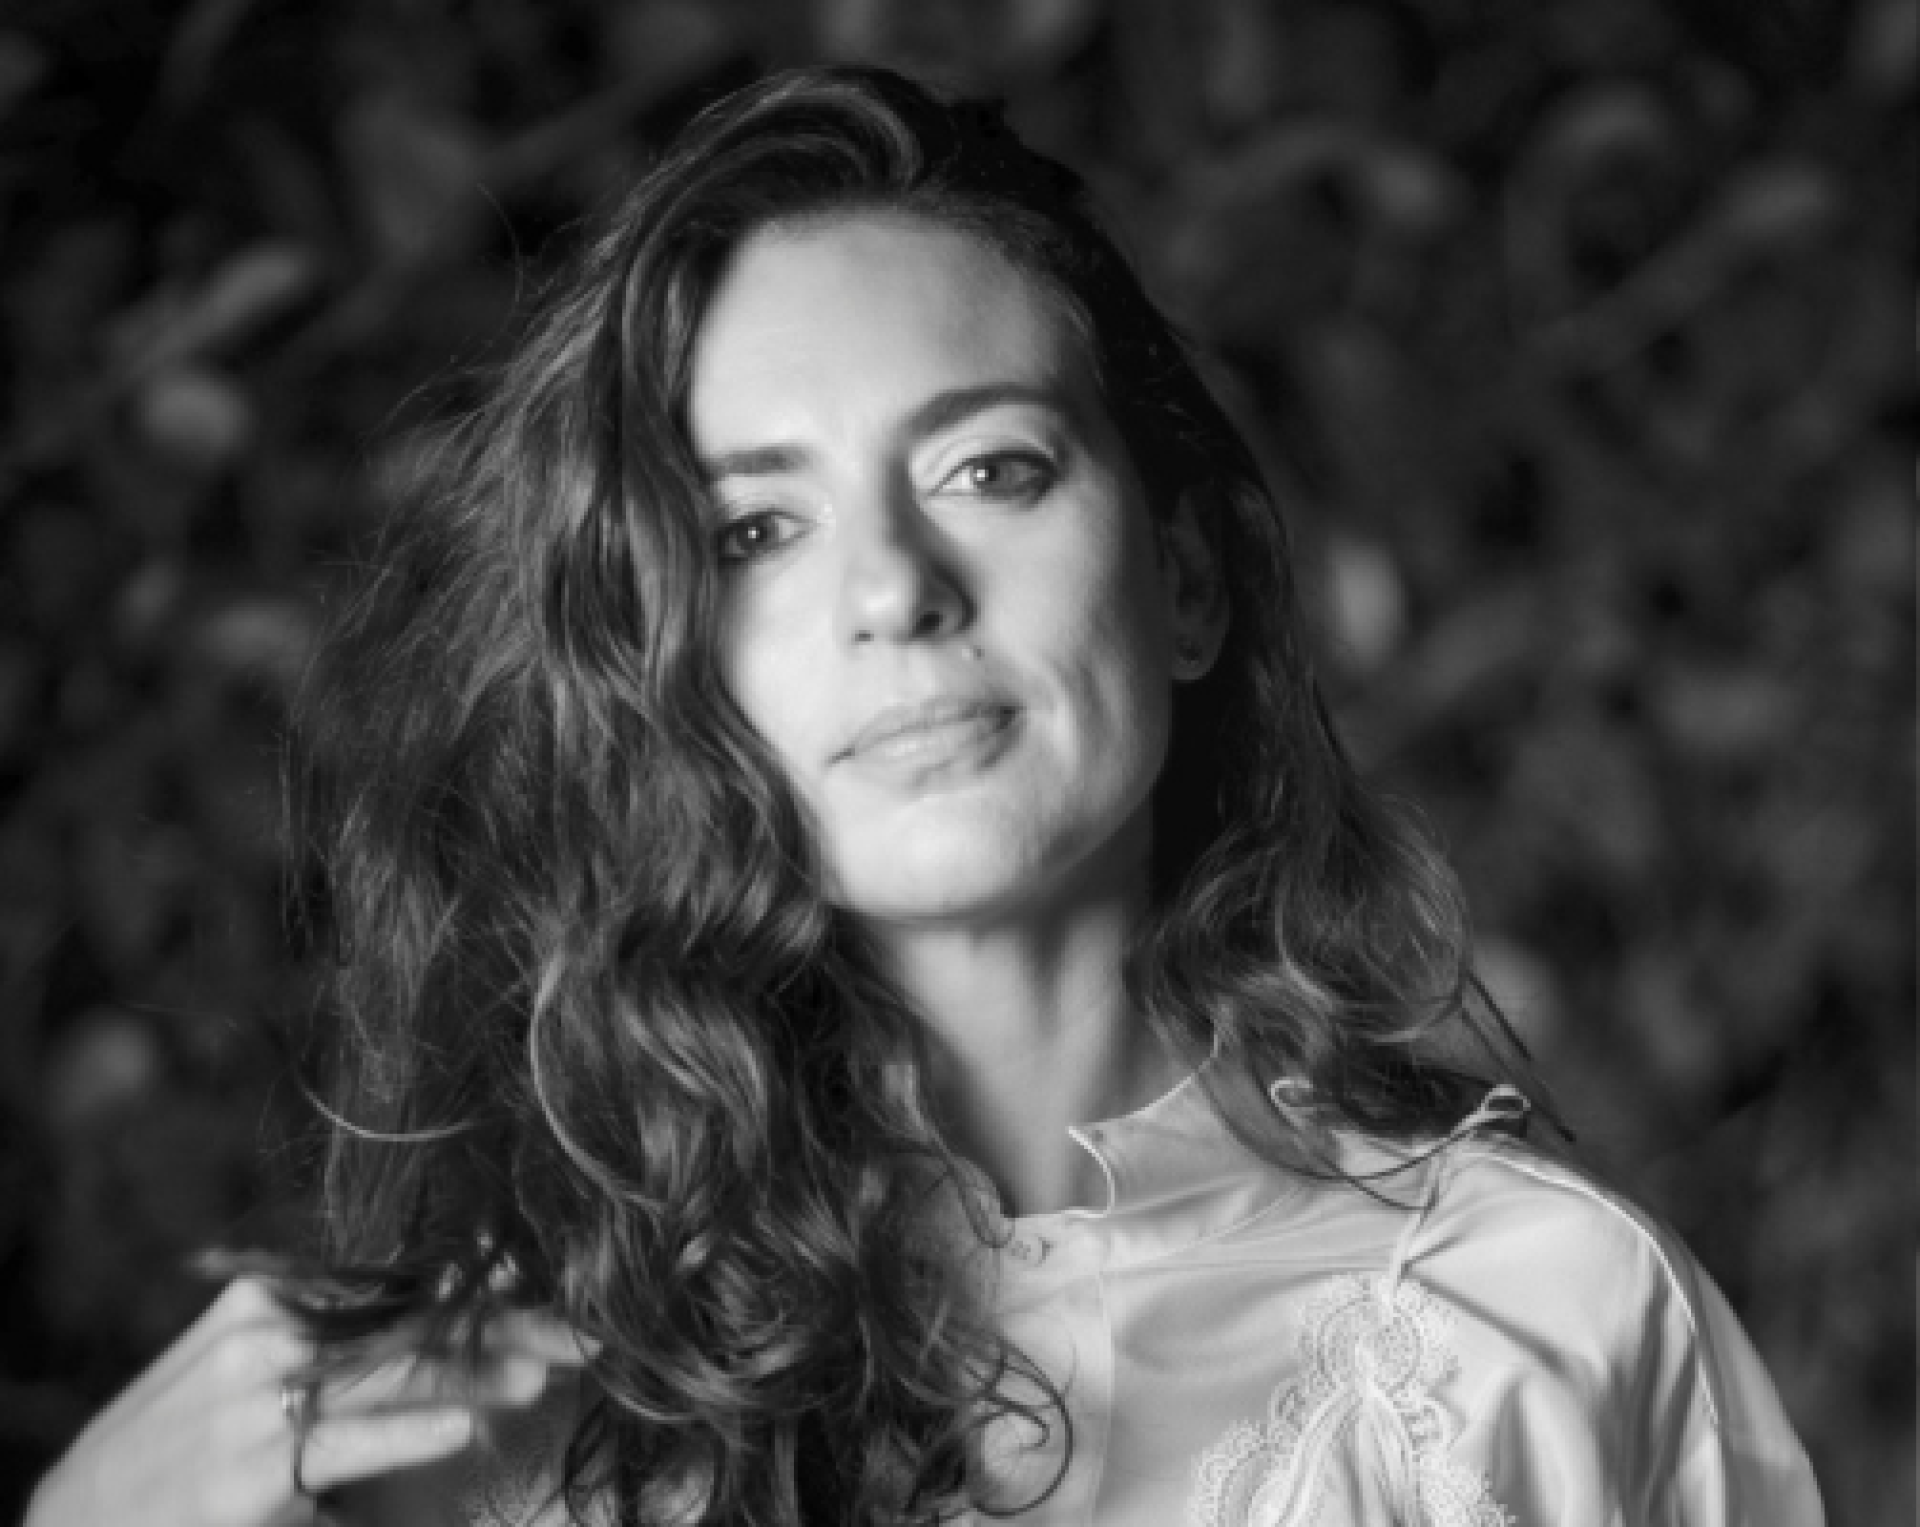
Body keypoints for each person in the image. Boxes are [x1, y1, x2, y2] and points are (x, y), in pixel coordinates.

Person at [25, 65, 1823, 1527]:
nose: (893, 586)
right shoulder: (452, 1429)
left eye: (989, 467)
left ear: (1187, 577)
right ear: (661, 663)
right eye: (755, 528)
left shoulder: (1552, 1322)